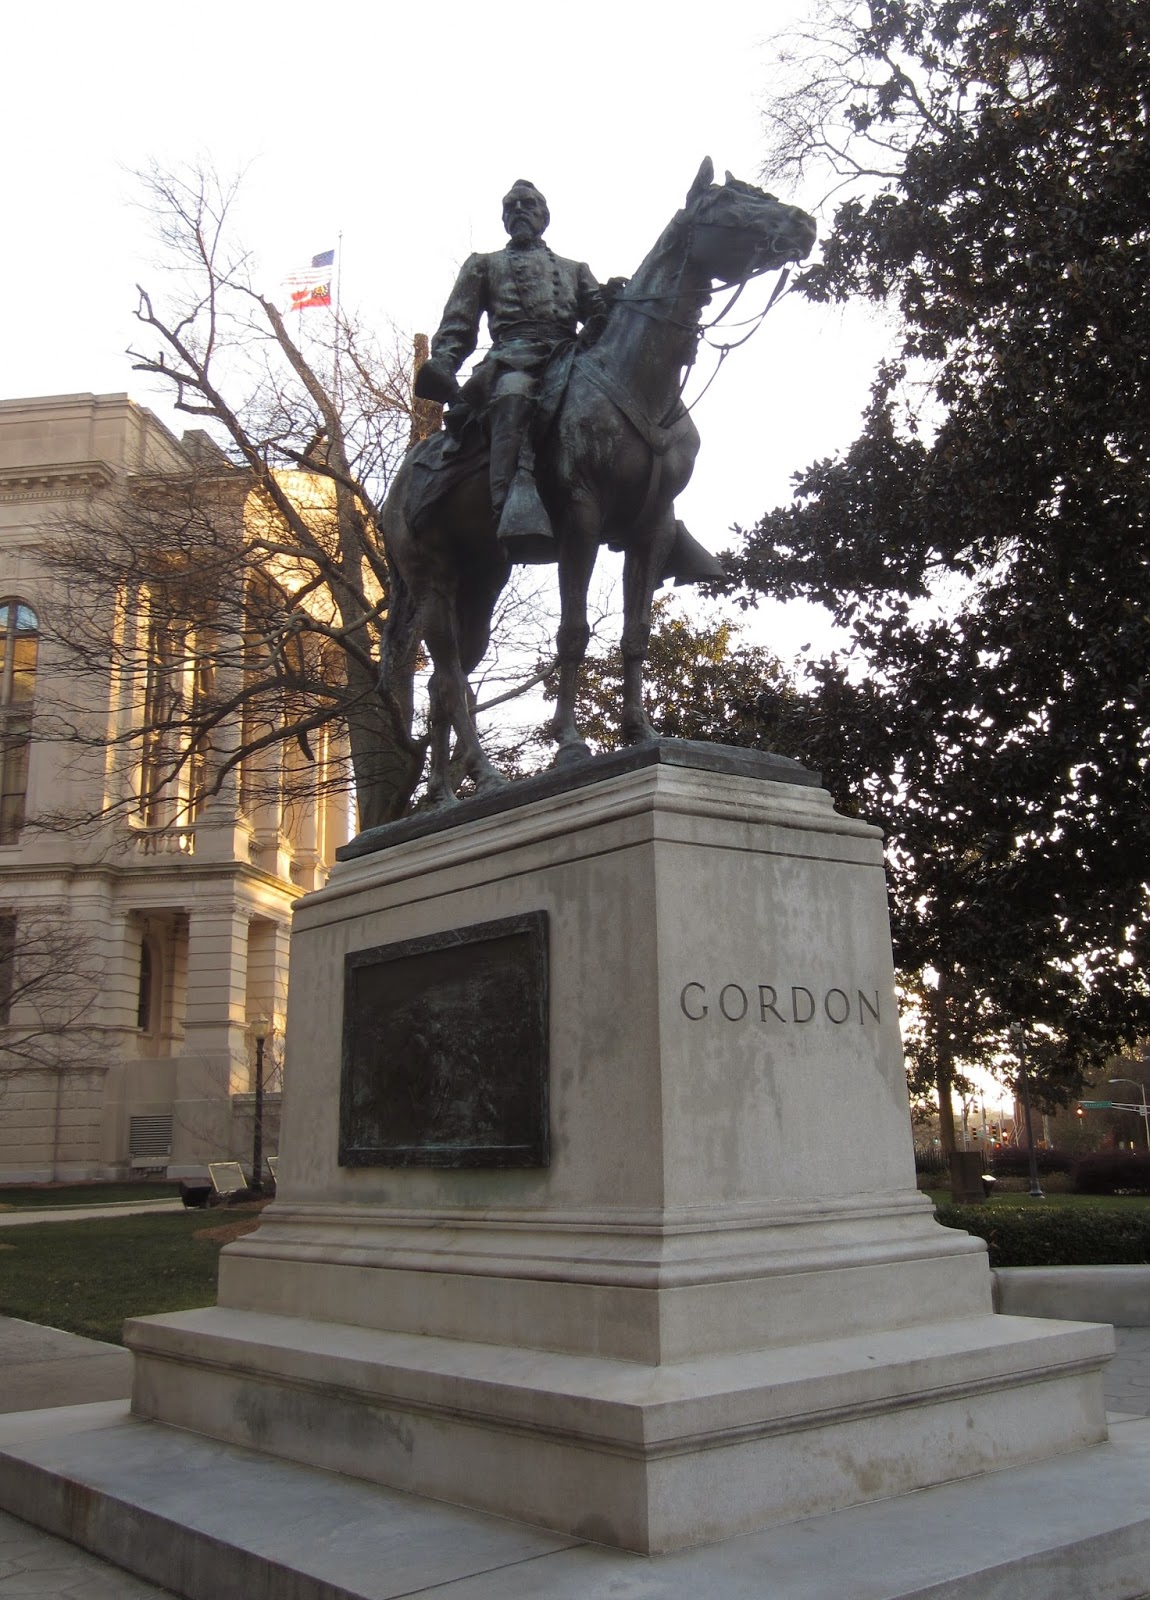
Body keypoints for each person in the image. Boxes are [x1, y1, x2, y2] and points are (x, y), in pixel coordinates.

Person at [415, 180, 605, 549]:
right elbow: (458, 325)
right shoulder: (485, 265)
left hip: (568, 360)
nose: (520, 210)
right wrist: (444, 362)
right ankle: (508, 507)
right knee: (512, 395)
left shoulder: (575, 269)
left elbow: (601, 320)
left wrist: (615, 306)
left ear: (544, 216)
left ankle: (654, 515)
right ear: (504, 218)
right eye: (512, 206)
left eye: (529, 204)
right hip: (511, 359)